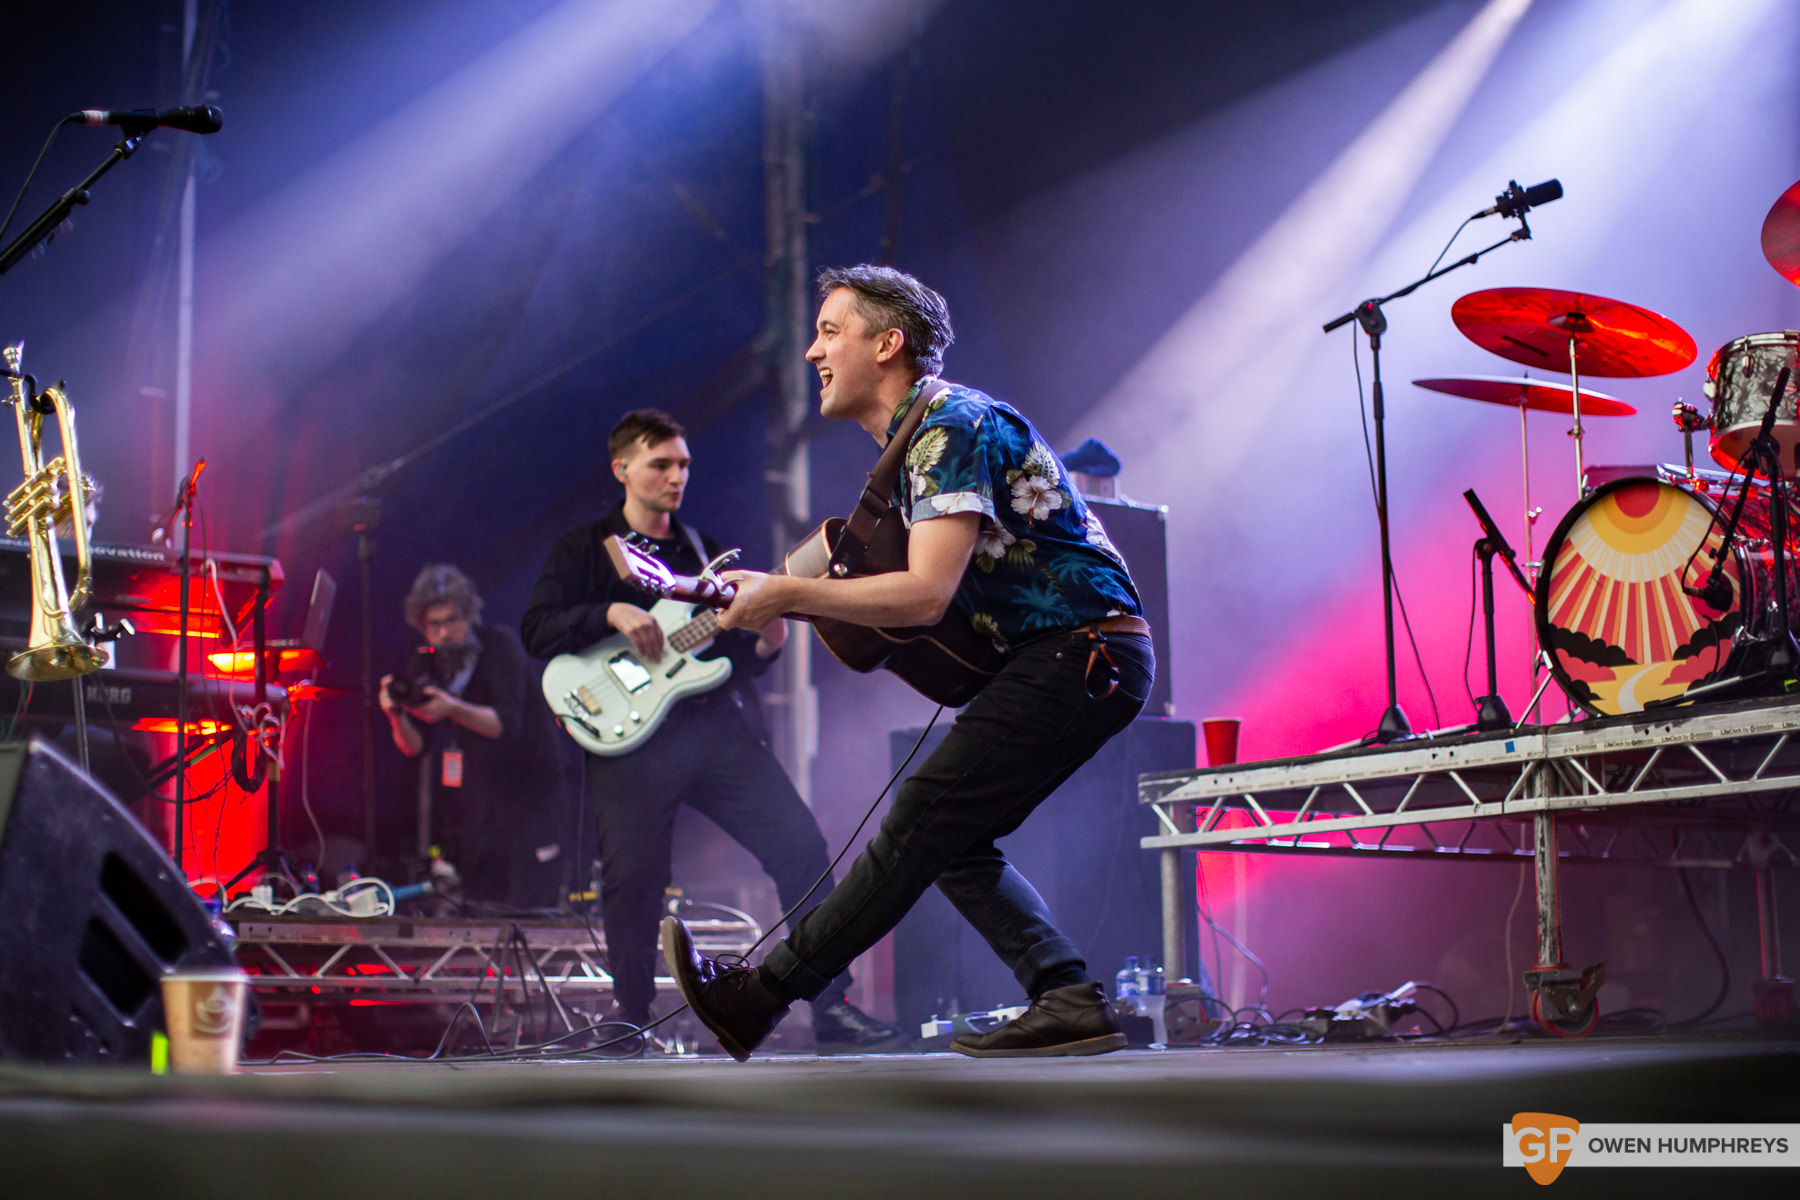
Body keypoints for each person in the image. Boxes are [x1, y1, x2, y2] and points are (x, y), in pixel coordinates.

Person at [660, 264, 1154, 1060]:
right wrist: (765, 592)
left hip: (1082, 651)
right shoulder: (913, 449)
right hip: (1071, 656)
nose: (813, 353)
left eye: (830, 331)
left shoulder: (948, 426)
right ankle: (1065, 997)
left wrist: (786, 597)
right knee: (945, 837)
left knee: (922, 813)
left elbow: (924, 595)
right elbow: (840, 549)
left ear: (888, 343)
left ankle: (760, 995)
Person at [520, 408, 907, 1051]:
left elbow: (733, 662)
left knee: (802, 849)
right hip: (633, 741)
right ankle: (629, 1018)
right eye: (661, 465)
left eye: (685, 465)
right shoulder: (581, 549)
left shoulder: (702, 553)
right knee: (634, 875)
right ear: (622, 470)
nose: (677, 477)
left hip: (715, 732)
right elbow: (537, 631)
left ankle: (834, 1008)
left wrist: (769, 639)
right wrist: (608, 611)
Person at [379, 565, 570, 909]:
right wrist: (395, 717)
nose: (444, 632)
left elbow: (503, 726)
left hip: (532, 788)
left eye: (452, 620)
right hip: (481, 795)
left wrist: (452, 707)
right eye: (434, 625)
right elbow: (415, 746)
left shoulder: (499, 645)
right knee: (482, 898)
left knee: (532, 902)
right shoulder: (426, 663)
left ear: (468, 615)